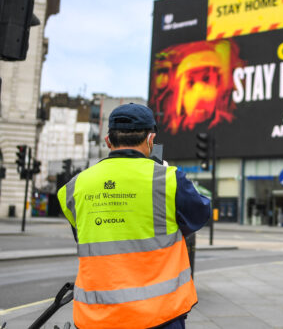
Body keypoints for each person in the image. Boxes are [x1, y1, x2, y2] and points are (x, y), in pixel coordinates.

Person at [57, 103, 211, 329]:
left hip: (96, 318)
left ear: (108, 142)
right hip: (159, 317)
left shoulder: (74, 187)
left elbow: (85, 235)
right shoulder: (168, 180)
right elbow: (200, 214)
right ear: (151, 139)